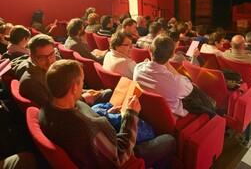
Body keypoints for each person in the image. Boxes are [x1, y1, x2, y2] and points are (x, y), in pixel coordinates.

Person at [39, 59, 176, 168]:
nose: (83, 86)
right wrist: (131, 114)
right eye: (81, 82)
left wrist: (83, 100)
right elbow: (121, 155)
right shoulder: (90, 128)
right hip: (118, 155)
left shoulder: (45, 109)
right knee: (169, 141)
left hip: (95, 148)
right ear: (74, 88)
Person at [19, 34, 110, 107]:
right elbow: (53, 109)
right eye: (42, 57)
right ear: (32, 57)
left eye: (51, 54)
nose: (49, 61)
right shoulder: (30, 82)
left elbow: (67, 87)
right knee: (109, 94)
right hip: (71, 113)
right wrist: (83, 98)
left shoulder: (54, 65)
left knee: (108, 93)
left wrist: (86, 92)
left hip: (77, 101)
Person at [134, 35, 193, 118]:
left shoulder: (138, 68)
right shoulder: (176, 81)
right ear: (172, 55)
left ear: (150, 49)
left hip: (146, 114)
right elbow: (189, 89)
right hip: (170, 119)